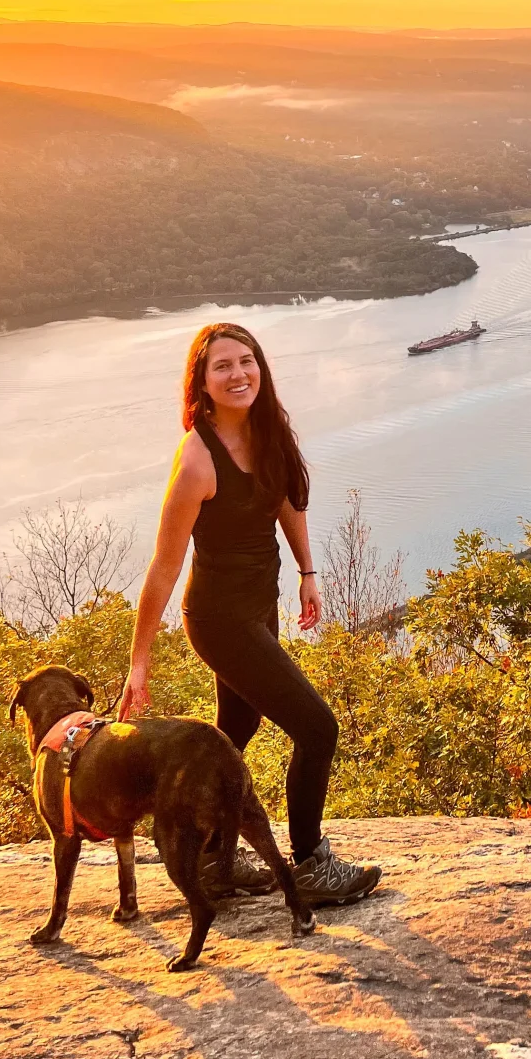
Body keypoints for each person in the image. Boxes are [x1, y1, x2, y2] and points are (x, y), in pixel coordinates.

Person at [120, 321, 379, 905]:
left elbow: (285, 499)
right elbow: (164, 567)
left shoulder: (266, 430)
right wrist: (140, 662)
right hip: (217, 619)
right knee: (318, 728)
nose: (238, 374)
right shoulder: (196, 461)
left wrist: (308, 571)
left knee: (237, 730)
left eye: (247, 361)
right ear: (202, 383)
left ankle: (212, 861)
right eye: (223, 367)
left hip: (261, 606)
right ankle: (310, 865)